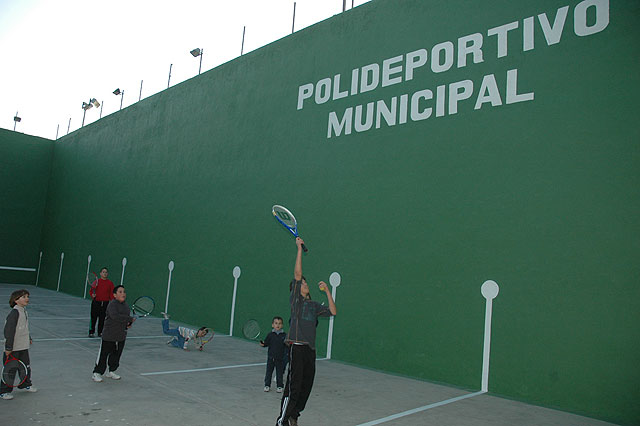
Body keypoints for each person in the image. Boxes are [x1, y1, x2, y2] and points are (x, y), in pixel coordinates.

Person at [276, 237, 337, 426]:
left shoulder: (314, 305)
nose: (304, 284)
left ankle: (294, 415)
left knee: (306, 386)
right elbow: (297, 273)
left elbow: (333, 311)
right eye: (301, 283)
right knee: (293, 387)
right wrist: (299, 249)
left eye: (304, 283)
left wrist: (327, 291)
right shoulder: (296, 302)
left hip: (310, 351)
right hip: (296, 346)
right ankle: (282, 421)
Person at [92, 285, 134, 382]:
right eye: (120, 292)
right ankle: (96, 373)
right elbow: (115, 316)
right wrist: (129, 319)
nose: (123, 293)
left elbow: (125, 320)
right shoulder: (112, 305)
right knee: (103, 355)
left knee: (116, 355)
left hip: (120, 336)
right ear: (114, 295)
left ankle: (111, 371)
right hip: (109, 335)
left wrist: (128, 324)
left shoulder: (126, 306)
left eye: (124, 291)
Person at [1, 290, 37, 400]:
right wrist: (8, 348)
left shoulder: (24, 311)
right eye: (23, 297)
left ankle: (25, 384)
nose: (27, 299)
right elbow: (9, 331)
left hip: (23, 347)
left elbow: (24, 327)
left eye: (27, 296)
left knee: (26, 367)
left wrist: (28, 338)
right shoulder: (14, 313)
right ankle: (4, 391)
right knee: (10, 370)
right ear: (16, 300)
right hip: (13, 348)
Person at [260, 316, 287, 393]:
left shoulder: (284, 335)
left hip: (280, 358)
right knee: (269, 372)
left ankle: (279, 386)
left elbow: (287, 345)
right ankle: (267, 385)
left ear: (282, 325)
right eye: (276, 323)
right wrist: (263, 344)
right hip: (270, 358)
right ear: (272, 325)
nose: (277, 325)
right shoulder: (270, 335)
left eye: (279, 323)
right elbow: (266, 343)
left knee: (279, 373)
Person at [89, 267, 115, 337]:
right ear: (100, 273)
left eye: (106, 272)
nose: (105, 273)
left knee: (102, 319)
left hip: (105, 303)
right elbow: (91, 291)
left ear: (108, 274)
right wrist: (92, 295)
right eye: (103, 272)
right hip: (96, 303)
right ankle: (91, 332)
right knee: (93, 318)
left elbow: (112, 293)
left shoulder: (110, 283)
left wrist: (112, 301)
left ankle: (100, 332)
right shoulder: (96, 282)